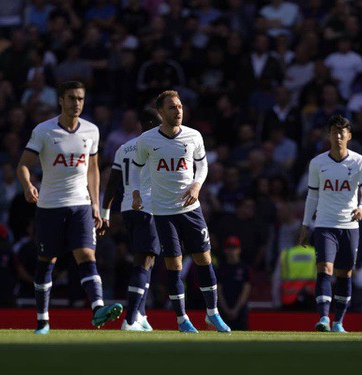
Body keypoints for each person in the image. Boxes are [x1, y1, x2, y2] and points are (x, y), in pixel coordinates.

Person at [16, 80, 123, 335]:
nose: (77, 103)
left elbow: (93, 169)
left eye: (81, 99)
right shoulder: (44, 131)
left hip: (81, 205)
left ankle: (98, 308)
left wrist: (96, 204)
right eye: (72, 98)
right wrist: (27, 185)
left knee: (86, 255)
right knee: (46, 261)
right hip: (50, 205)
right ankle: (42, 321)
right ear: (61, 101)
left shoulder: (91, 131)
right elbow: (23, 165)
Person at [130, 90, 230, 333]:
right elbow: (136, 167)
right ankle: (182, 319)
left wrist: (197, 185)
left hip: (191, 210)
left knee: (204, 259)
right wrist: (135, 192)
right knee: (173, 265)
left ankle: (212, 314)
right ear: (161, 112)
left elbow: (203, 164)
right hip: (163, 212)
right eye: (172, 108)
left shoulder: (193, 136)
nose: (178, 111)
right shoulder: (147, 140)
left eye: (180, 107)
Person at [298, 115, 362, 332]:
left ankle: (339, 321)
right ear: (328, 135)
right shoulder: (317, 163)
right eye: (334, 132)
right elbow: (312, 196)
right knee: (324, 269)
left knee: (345, 273)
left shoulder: (359, 162)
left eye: (342, 132)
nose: (338, 136)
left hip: (349, 225)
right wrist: (305, 225)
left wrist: (361, 207)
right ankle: (323, 318)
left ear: (349, 136)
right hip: (324, 224)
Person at [99, 108, 162, 331]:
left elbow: (112, 184)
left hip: (128, 209)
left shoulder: (124, 148)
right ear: (153, 124)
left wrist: (105, 214)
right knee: (143, 262)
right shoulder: (156, 146)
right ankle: (131, 318)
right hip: (147, 209)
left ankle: (141, 313)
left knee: (147, 260)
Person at [216, 236, 252, 330]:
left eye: (234, 248)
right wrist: (226, 309)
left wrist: (236, 309)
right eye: (229, 248)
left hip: (240, 309)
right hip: (224, 309)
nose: (232, 251)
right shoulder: (221, 268)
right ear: (225, 250)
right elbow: (218, 290)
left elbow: (246, 290)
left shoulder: (244, 268)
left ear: (239, 250)